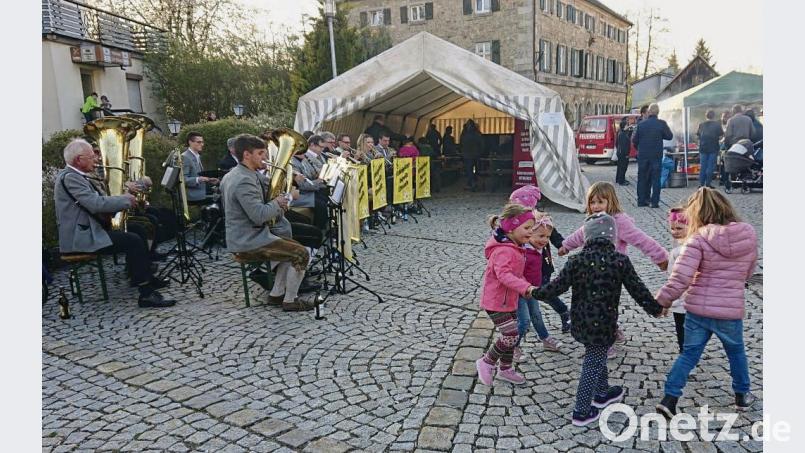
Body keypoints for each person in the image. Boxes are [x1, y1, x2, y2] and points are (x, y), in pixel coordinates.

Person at [534, 212, 665, 427]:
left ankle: (602, 392)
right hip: (603, 323)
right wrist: (656, 309)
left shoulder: (576, 260)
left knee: (597, 353)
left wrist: (533, 292)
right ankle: (581, 410)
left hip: (580, 321)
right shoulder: (620, 261)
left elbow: (556, 287)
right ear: (612, 237)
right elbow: (638, 290)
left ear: (587, 237)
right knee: (593, 361)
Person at [654, 188, 758, 418]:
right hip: (729, 310)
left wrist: (662, 301)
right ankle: (742, 395)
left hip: (698, 309)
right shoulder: (748, 234)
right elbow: (748, 272)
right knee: (736, 352)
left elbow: (681, 277)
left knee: (689, 354)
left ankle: (670, 399)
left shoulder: (698, 238)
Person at [54, 139, 173, 308]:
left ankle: (142, 277)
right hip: (80, 237)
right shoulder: (70, 178)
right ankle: (146, 294)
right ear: (79, 159)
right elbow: (95, 204)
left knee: (138, 229)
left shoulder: (77, 176)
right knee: (133, 240)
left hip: (91, 230)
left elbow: (99, 199)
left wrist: (125, 193)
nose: (96, 160)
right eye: (91, 157)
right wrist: (125, 200)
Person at [559, 182, 668, 358]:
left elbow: (642, 240)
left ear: (611, 201)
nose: (596, 206)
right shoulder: (593, 221)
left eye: (600, 202)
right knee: (597, 305)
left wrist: (661, 258)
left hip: (612, 274)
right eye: (592, 202)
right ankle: (613, 331)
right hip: (592, 271)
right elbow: (580, 235)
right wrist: (566, 246)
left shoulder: (620, 222)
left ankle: (605, 343)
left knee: (606, 306)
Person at [219, 134, 315, 312]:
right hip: (248, 240)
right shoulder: (243, 180)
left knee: (291, 247)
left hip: (249, 234)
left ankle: (276, 295)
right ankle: (291, 300)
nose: (265, 157)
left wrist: (286, 183)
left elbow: (266, 190)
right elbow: (259, 215)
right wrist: (280, 201)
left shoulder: (239, 174)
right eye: (261, 153)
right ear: (247, 155)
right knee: (301, 253)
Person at [476, 203, 538, 386]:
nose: (531, 231)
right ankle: (486, 362)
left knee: (513, 334)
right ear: (511, 228)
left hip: (509, 300)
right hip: (495, 302)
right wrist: (525, 287)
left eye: (532, 228)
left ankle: (505, 369)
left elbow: (516, 274)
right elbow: (503, 275)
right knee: (510, 334)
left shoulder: (516, 247)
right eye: (527, 228)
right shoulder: (504, 250)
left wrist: (528, 287)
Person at [509, 185, 571, 333]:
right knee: (524, 292)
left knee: (545, 293)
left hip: (543, 267)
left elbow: (553, 233)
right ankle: (523, 319)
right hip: (523, 267)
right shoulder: (517, 221)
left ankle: (564, 312)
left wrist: (561, 245)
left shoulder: (540, 219)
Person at [514, 212, 565, 357]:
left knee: (536, 314)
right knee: (524, 321)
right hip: (519, 292)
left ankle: (545, 338)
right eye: (541, 236)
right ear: (529, 233)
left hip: (532, 290)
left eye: (547, 237)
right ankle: (513, 347)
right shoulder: (523, 251)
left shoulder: (538, 249)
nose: (545, 240)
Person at [632, 103, 673, 208]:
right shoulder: (662, 123)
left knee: (642, 178)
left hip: (643, 155)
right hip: (656, 155)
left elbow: (634, 140)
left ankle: (641, 201)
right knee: (656, 179)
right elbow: (669, 136)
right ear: (658, 112)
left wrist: (640, 149)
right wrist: (660, 134)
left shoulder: (641, 124)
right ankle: (654, 202)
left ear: (649, 112)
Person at [289, 135, 329, 230]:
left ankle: (323, 227)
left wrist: (317, 177)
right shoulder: (293, 162)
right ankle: (319, 230)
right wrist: (319, 181)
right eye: (303, 150)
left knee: (324, 198)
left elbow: (308, 177)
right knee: (321, 204)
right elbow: (303, 185)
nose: (306, 152)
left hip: (304, 192)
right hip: (297, 195)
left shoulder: (301, 160)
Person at [666, 207, 689, 351]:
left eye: (679, 228)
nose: (674, 232)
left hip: (683, 299)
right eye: (672, 228)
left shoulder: (682, 251)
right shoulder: (676, 249)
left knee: (683, 331)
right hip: (680, 300)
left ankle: (685, 354)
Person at [182, 132, 218, 204]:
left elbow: (198, 175)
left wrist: (209, 180)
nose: (202, 144)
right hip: (194, 196)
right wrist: (198, 179)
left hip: (202, 192)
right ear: (190, 142)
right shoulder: (185, 157)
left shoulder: (197, 156)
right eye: (199, 142)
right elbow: (183, 179)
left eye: (202, 142)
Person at [696, 110, 724, 188]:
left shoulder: (701, 124)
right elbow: (721, 136)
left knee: (703, 166)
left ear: (706, 116)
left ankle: (701, 184)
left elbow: (698, 136)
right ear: (714, 116)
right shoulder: (717, 125)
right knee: (710, 166)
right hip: (713, 148)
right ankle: (708, 184)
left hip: (703, 148)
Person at [460, 119, 484, 191]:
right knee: (471, 170)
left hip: (470, 155)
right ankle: (472, 183)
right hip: (472, 154)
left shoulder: (466, 134)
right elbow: (482, 144)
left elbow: (462, 144)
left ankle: (472, 183)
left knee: (470, 170)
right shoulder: (476, 134)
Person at [614, 117, 631, 186]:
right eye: (627, 125)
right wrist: (626, 154)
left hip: (620, 152)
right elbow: (624, 146)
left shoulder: (621, 132)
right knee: (623, 167)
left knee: (620, 167)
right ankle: (621, 181)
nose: (628, 126)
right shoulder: (622, 134)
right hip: (623, 154)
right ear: (624, 126)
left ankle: (619, 179)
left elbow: (617, 144)